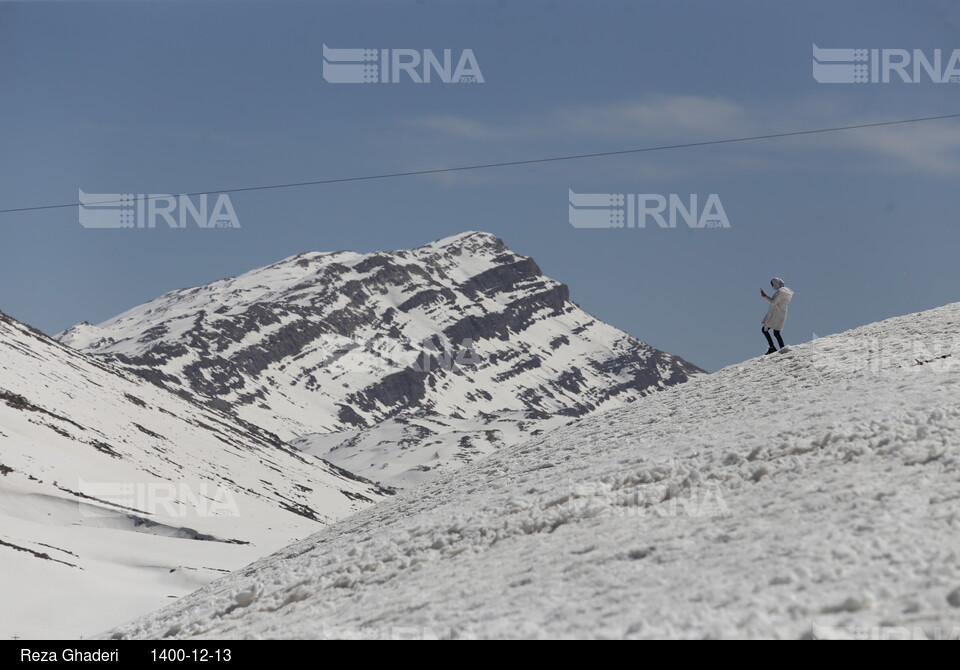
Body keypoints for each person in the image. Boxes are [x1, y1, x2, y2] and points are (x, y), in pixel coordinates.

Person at [760, 277, 793, 355]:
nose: (772, 286)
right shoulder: (784, 292)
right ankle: (781, 348)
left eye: (772, 284)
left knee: (765, 330)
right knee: (776, 333)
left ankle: (773, 348)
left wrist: (764, 296)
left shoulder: (781, 292)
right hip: (780, 315)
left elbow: (773, 302)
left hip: (776, 315)